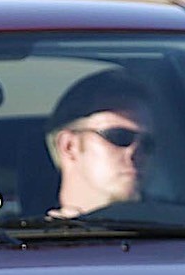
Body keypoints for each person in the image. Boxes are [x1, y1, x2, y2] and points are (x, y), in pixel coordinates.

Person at [43, 69, 155, 219]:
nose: (135, 152)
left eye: (147, 143)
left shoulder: (179, 230)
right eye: (119, 136)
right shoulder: (17, 239)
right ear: (69, 146)